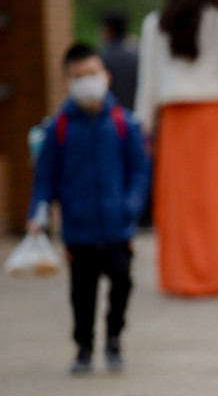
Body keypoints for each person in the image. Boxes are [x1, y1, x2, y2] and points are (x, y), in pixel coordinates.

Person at [134, 0, 218, 296]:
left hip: (173, 121)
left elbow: (149, 83)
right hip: (213, 119)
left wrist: (144, 127)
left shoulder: (155, 24)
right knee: (216, 199)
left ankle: (180, 276)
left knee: (177, 203)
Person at [27, 43, 150, 374]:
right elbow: (45, 178)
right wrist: (37, 213)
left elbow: (140, 170)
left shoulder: (124, 123)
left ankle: (114, 339)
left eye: (92, 74)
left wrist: (131, 205)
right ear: (68, 83)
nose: (87, 81)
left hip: (117, 224)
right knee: (82, 293)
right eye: (79, 77)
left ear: (106, 77)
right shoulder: (59, 128)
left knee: (122, 281)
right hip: (78, 229)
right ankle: (83, 347)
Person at [99, 11, 139, 112]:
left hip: (110, 117)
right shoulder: (137, 56)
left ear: (109, 29)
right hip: (134, 115)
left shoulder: (102, 58)